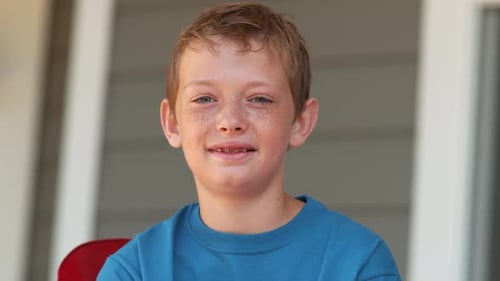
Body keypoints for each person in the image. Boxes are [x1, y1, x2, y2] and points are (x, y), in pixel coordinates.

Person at [97, 2, 402, 280]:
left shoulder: (357, 262)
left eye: (259, 99)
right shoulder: (135, 270)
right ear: (172, 123)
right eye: (204, 98)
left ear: (300, 122)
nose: (230, 121)